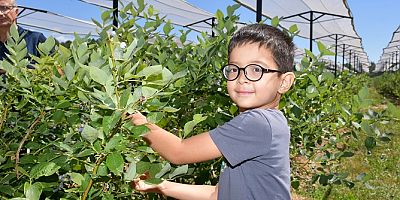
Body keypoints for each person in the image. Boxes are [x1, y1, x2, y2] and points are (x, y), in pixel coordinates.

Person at [130, 23, 295, 200]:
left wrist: (136, 121)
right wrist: (161, 185)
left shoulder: (258, 123)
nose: (242, 79)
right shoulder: (270, 122)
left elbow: (178, 152)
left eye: (256, 69)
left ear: (284, 82)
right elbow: (217, 194)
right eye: (234, 69)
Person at [0, 0, 46, 75]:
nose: (0, 13)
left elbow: (56, 71)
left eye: (4, 8)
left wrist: (15, 71)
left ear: (16, 11)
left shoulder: (35, 39)